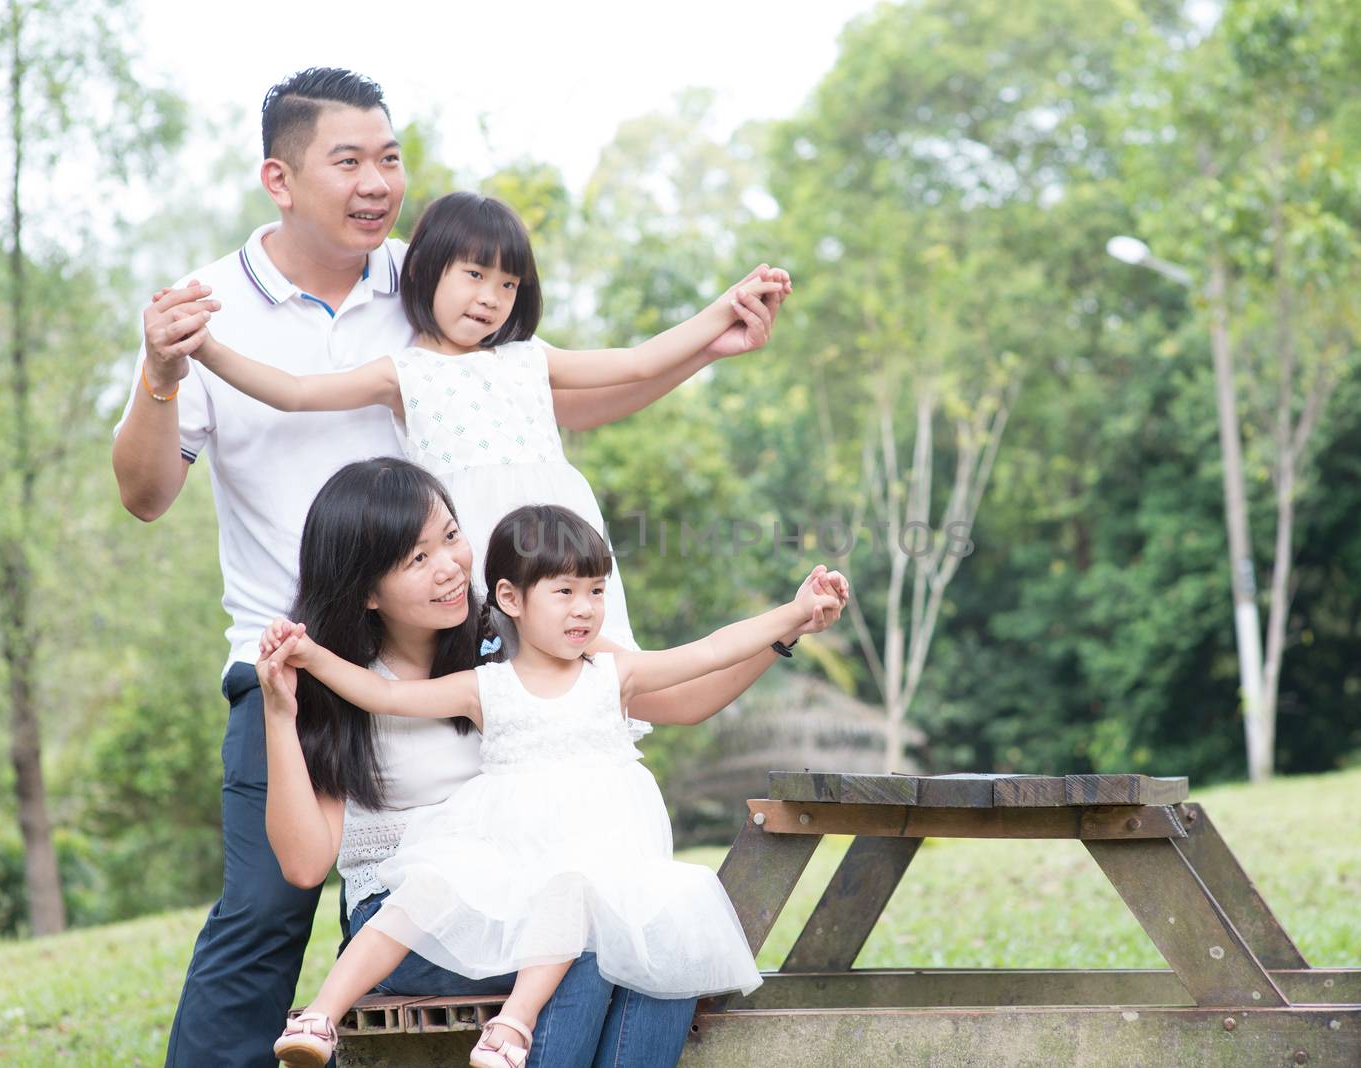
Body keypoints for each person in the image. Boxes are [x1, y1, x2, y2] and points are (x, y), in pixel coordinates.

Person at [111, 67, 788, 1067]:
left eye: (389, 156)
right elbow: (148, 489)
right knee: (267, 907)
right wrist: (169, 367)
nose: (377, 180)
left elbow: (555, 398)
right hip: (299, 651)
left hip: (460, 641)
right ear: (280, 177)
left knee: (575, 886)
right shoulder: (217, 309)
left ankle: (512, 1027)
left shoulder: (430, 281)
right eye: (349, 160)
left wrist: (703, 348)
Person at [256, 460, 845, 1067]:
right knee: (591, 943)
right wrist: (278, 713)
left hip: (539, 882)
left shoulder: (528, 633)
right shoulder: (341, 685)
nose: (450, 566)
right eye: (416, 558)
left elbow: (689, 685)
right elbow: (304, 866)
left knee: (656, 933)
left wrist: (789, 626)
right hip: (407, 914)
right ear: (366, 589)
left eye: (451, 536)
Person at [182, 189, 789, 652]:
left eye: (507, 283)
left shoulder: (528, 358)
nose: (490, 298)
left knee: (587, 663)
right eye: (474, 275)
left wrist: (723, 312)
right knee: (499, 681)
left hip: (558, 536)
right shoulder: (403, 372)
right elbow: (293, 392)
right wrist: (206, 350)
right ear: (423, 272)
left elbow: (634, 362)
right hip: (474, 549)